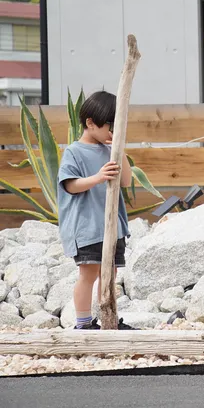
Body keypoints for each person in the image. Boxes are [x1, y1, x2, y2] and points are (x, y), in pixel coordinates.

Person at [58, 90, 134, 330]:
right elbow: (70, 185)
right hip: (88, 226)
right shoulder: (74, 152)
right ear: (90, 123)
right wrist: (98, 177)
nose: (113, 130)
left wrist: (120, 150)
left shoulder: (110, 149)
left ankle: (108, 320)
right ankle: (82, 324)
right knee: (88, 274)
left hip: (112, 227)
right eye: (110, 125)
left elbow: (126, 181)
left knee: (110, 275)